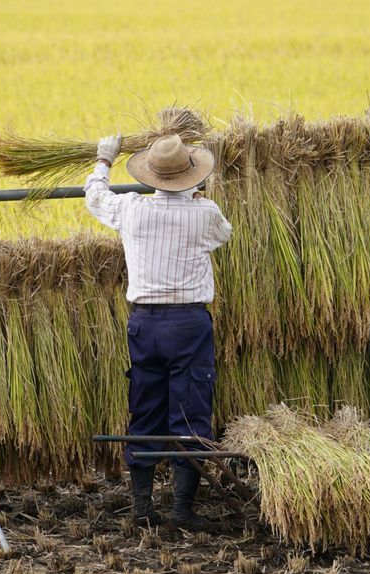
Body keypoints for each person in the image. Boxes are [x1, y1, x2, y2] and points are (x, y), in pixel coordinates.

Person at [84, 133, 232, 530]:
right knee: (190, 411)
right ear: (191, 176)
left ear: (151, 175)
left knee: (146, 408)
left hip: (145, 324)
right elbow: (224, 234)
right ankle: (182, 510)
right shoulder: (205, 213)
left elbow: (95, 197)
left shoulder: (131, 209)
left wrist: (104, 158)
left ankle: (141, 508)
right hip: (189, 324)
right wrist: (198, 199)